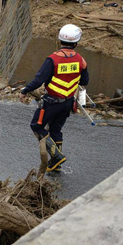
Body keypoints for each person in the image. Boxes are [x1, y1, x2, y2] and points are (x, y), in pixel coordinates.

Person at [20, 24, 90, 174]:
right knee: (56, 129)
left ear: (59, 40)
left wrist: (25, 90)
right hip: (67, 103)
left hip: (51, 103)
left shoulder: (53, 59)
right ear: (76, 43)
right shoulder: (81, 60)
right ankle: (55, 164)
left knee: (36, 126)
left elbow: (39, 79)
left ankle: (57, 156)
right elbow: (84, 81)